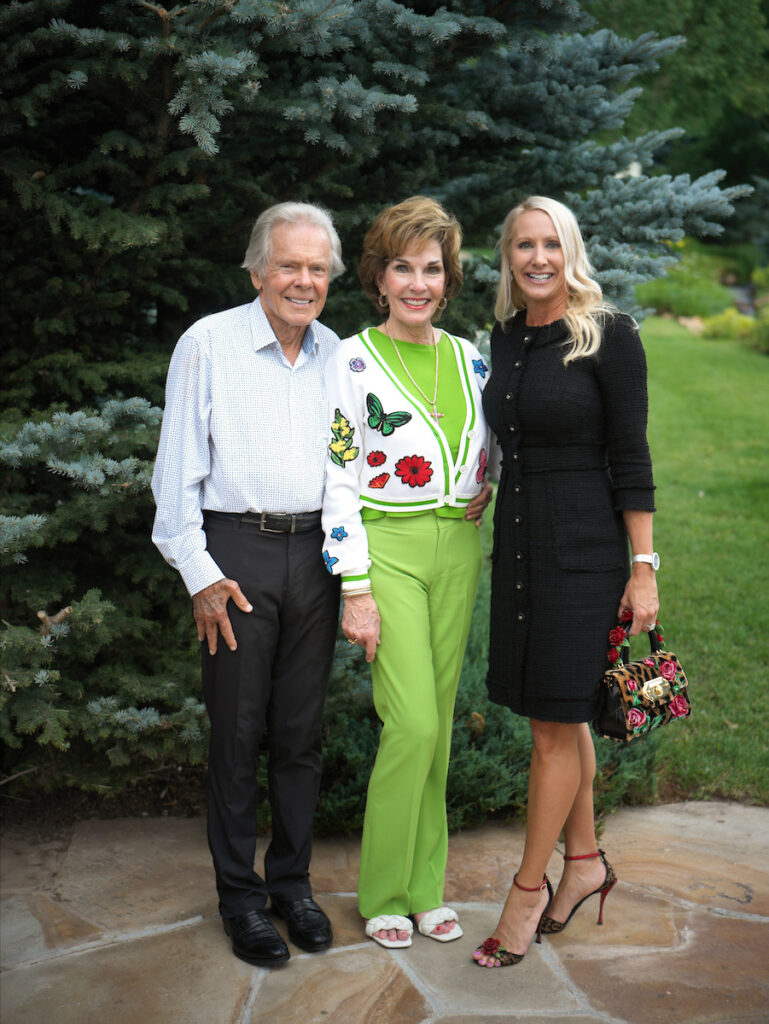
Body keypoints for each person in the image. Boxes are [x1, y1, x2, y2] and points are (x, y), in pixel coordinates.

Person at [151, 202, 345, 968]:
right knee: (236, 734)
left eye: (317, 268)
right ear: (259, 269)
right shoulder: (209, 343)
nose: (303, 281)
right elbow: (174, 474)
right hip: (234, 556)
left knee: (299, 733)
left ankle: (291, 885)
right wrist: (200, 575)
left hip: (316, 558)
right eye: (289, 266)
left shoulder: (337, 352)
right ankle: (240, 898)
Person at [473, 196, 659, 968]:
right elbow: (505, 433)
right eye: (523, 245)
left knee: (552, 728)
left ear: (569, 249)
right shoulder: (507, 337)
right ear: (508, 256)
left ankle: (526, 892)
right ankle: (584, 864)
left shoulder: (607, 334)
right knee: (560, 713)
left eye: (550, 243)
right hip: (517, 542)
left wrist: (642, 567)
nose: (537, 258)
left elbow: (631, 456)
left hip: (582, 551)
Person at [321, 195, 495, 949]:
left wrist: (484, 487)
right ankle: (384, 889)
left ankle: (427, 889)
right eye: (403, 267)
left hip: (458, 548)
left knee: (440, 727)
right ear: (379, 277)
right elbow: (336, 474)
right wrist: (352, 584)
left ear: (448, 279)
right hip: (384, 550)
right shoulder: (350, 358)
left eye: (432, 268)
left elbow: (489, 450)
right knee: (411, 721)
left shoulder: (470, 357)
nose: (418, 283)